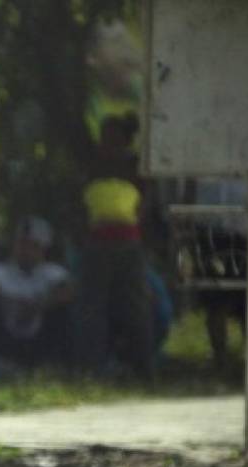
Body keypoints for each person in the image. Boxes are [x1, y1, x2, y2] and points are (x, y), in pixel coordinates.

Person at [75, 112, 156, 378]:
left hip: (127, 243)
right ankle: (94, 366)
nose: (107, 142)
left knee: (135, 306)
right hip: (98, 243)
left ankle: (142, 367)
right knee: (94, 307)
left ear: (124, 139)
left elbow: (144, 204)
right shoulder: (93, 164)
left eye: (112, 136)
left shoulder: (135, 166)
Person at [0, 216, 74, 376]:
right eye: (21, 244)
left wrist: (38, 306)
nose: (25, 251)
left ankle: (54, 367)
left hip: (40, 341)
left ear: (43, 249)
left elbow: (68, 292)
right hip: (5, 340)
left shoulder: (52, 273)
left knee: (62, 315)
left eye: (32, 246)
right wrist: (8, 303)